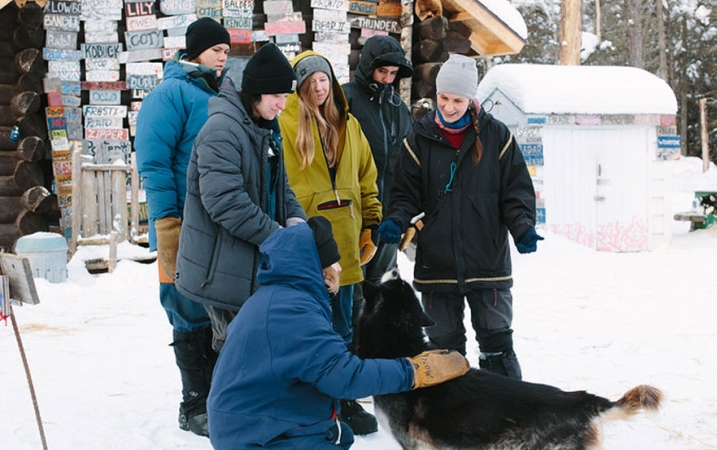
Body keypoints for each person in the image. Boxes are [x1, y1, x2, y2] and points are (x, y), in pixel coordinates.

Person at [207, 217, 470, 450]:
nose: (341, 269)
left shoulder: (280, 298)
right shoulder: (293, 313)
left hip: (258, 423)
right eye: (335, 261)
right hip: (261, 437)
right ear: (318, 267)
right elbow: (345, 377)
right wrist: (417, 371)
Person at [378, 54, 543, 381]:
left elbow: (516, 190)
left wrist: (522, 227)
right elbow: (404, 193)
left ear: (471, 99)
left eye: (457, 99)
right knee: (443, 351)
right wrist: (396, 220)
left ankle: (508, 417)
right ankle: (449, 422)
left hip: (487, 261)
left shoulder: (497, 137)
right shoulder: (419, 139)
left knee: (496, 345)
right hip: (437, 264)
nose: (449, 106)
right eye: (443, 97)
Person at [133, 17, 231, 437]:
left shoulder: (221, 93)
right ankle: (194, 404)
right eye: (216, 51)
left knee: (217, 311)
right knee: (186, 309)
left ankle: (218, 399)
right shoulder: (170, 93)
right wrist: (166, 223)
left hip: (218, 225)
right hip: (181, 222)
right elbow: (154, 164)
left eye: (227, 51)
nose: (224, 57)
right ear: (195, 52)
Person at [176, 43, 306, 355]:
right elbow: (226, 202)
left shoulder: (266, 129)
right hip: (223, 267)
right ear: (257, 92)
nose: (283, 105)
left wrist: (298, 225)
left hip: (253, 263)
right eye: (277, 96)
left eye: (286, 97)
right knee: (237, 353)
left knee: (258, 352)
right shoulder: (222, 131)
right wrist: (279, 238)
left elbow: (282, 188)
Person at [278, 51, 382, 435]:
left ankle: (344, 397)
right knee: (314, 325)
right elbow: (280, 183)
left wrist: (371, 222)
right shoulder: (286, 124)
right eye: (310, 82)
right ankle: (314, 400)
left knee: (347, 325)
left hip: (349, 240)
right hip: (310, 240)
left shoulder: (349, 124)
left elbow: (367, 178)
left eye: (324, 79)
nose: (319, 88)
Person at [342, 35, 414, 306]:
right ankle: (350, 348)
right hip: (353, 216)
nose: (387, 79)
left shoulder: (399, 109)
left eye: (393, 73)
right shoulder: (345, 99)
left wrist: (406, 215)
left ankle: (377, 348)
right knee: (351, 293)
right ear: (367, 65)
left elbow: (408, 166)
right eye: (382, 71)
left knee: (382, 292)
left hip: (388, 220)